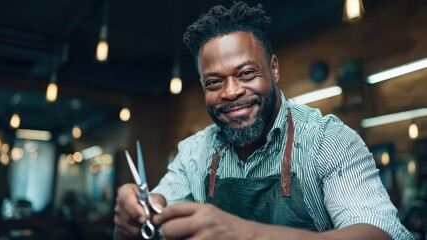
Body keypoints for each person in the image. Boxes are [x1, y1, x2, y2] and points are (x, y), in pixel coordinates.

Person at [114, 2, 414, 239]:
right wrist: (131, 222)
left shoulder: (327, 141)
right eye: (214, 83)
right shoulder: (194, 153)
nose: (231, 92)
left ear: (273, 69)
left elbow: (377, 232)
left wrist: (246, 234)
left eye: (246, 73)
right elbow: (156, 213)